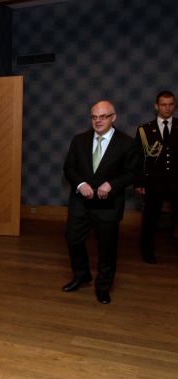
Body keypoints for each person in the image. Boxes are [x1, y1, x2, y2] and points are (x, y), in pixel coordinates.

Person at [61, 100, 139, 304]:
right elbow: (69, 168)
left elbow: (132, 173)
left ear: (114, 117)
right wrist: (80, 184)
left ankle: (103, 286)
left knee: (107, 247)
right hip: (81, 201)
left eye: (103, 116)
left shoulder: (127, 143)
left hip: (108, 204)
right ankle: (81, 275)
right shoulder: (79, 140)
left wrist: (111, 185)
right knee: (73, 239)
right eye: (94, 117)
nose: (98, 121)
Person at [134, 90, 178, 264]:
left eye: (171, 104)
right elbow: (139, 158)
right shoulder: (144, 130)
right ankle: (147, 251)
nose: (168, 108)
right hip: (154, 182)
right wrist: (138, 182)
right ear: (156, 106)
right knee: (150, 220)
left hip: (177, 181)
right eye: (164, 105)